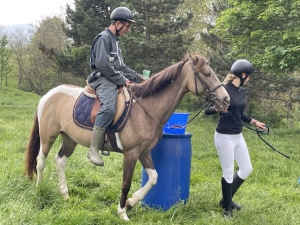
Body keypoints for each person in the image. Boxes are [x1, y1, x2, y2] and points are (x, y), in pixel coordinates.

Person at [205, 59, 266, 217]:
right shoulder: (223, 89)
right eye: (249, 76)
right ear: (243, 74)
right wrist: (218, 108)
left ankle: (226, 200)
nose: (249, 79)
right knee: (228, 172)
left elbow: (240, 113)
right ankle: (227, 209)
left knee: (246, 169)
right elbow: (207, 110)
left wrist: (254, 122)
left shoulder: (241, 92)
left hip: (238, 136)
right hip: (224, 136)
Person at [87, 7, 145, 166]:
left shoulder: (116, 41)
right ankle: (93, 149)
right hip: (102, 78)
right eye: (127, 26)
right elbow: (103, 64)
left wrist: (138, 77)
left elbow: (121, 66)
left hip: (112, 77)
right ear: (118, 23)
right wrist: (122, 80)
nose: (128, 29)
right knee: (109, 108)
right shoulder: (104, 38)